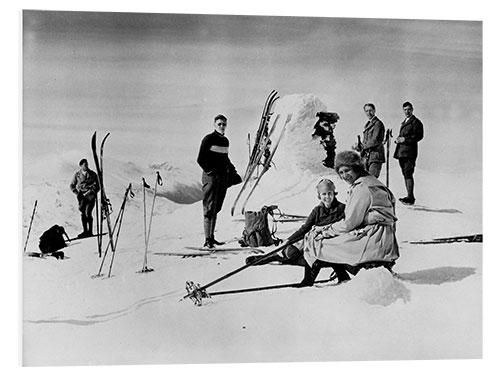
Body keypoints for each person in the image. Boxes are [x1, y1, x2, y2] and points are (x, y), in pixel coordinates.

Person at [297, 151, 399, 287]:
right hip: (384, 238)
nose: (345, 176)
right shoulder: (372, 181)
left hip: (373, 238)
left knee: (319, 241)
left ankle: (308, 281)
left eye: (347, 170)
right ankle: (341, 275)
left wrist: (324, 231)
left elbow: (349, 223)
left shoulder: (362, 187)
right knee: (331, 240)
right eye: (341, 172)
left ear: (356, 167)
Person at [245, 179, 345, 270]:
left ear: (334, 193)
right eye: (324, 194)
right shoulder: (317, 211)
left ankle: (311, 262)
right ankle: (266, 258)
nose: (327, 197)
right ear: (319, 195)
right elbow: (305, 229)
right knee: (290, 251)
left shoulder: (342, 208)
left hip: (331, 243)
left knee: (312, 258)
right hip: (314, 240)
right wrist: (288, 240)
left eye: (330, 193)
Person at [197, 114, 241, 249]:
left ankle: (212, 238)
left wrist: (233, 172)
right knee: (209, 207)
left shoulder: (225, 141)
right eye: (219, 124)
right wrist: (210, 172)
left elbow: (225, 160)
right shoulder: (208, 139)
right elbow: (201, 159)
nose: (222, 126)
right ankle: (207, 240)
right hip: (211, 178)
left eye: (224, 124)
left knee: (216, 208)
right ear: (215, 125)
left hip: (221, 179)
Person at [393, 101, 424, 205]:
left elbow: (419, 136)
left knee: (408, 173)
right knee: (405, 174)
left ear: (412, 109)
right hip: (402, 152)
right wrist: (398, 139)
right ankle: (409, 196)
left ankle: (410, 197)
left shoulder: (416, 122)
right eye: (405, 110)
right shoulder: (405, 121)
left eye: (409, 109)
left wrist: (404, 139)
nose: (407, 111)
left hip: (409, 153)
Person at [70, 159, 100, 238]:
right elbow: (72, 185)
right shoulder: (77, 175)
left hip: (90, 197)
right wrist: (77, 193)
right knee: (83, 213)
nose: (86, 166)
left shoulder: (93, 174)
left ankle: (90, 232)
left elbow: (98, 186)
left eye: (87, 164)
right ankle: (85, 231)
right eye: (85, 165)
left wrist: (93, 192)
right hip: (81, 198)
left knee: (88, 212)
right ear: (81, 166)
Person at [354, 103, 386, 178]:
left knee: (372, 180)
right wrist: (359, 146)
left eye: (370, 110)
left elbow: (375, 140)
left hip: (375, 156)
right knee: (366, 180)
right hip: (367, 157)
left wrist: (363, 146)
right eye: (366, 111)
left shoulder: (378, 124)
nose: (369, 113)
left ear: (374, 111)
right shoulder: (368, 124)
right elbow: (367, 141)